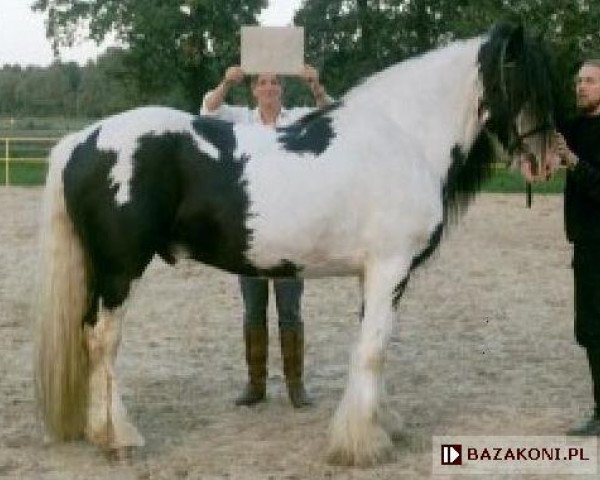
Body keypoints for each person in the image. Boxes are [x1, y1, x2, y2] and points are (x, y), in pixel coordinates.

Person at [200, 64, 332, 408]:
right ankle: (255, 384)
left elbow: (333, 114)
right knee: (253, 310)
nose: (270, 87)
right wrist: (227, 82)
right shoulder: (241, 119)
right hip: (250, 228)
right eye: (263, 83)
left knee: (290, 310)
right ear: (254, 91)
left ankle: (295, 385)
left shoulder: (297, 118)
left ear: (282, 90)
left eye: (275, 82)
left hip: (290, 228)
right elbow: (207, 110)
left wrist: (316, 85)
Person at [551, 59, 600, 435]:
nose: (580, 87)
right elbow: (546, 137)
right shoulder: (577, 125)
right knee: (588, 330)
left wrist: (574, 161)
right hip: (586, 245)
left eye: (589, 81)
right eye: (578, 81)